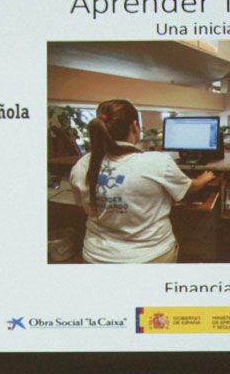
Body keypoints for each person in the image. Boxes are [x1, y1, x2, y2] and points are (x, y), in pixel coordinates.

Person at [69, 99, 215, 263]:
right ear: (134, 126)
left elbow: (83, 206)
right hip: (149, 257)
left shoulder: (81, 165)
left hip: (96, 258)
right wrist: (203, 178)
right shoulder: (157, 161)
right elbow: (190, 189)